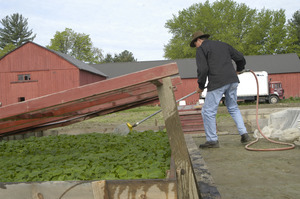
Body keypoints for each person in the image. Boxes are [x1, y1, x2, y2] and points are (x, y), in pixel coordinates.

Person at [190, 30, 251, 148]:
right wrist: (239, 69)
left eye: (195, 44)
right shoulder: (223, 45)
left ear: (199, 40)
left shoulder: (201, 49)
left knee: (208, 112)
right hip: (232, 81)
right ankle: (244, 134)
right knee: (233, 107)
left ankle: (212, 140)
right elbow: (240, 57)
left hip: (217, 82)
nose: (195, 47)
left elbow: (202, 70)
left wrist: (201, 86)